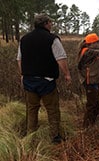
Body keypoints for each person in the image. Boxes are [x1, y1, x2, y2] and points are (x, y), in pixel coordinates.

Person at [17, 13, 72, 144]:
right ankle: (55, 137)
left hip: (29, 81)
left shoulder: (24, 39)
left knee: (31, 109)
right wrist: (67, 74)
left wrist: (22, 74)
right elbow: (61, 58)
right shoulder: (52, 39)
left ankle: (31, 136)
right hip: (46, 82)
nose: (52, 24)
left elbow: (19, 60)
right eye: (50, 22)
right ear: (46, 23)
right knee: (52, 109)